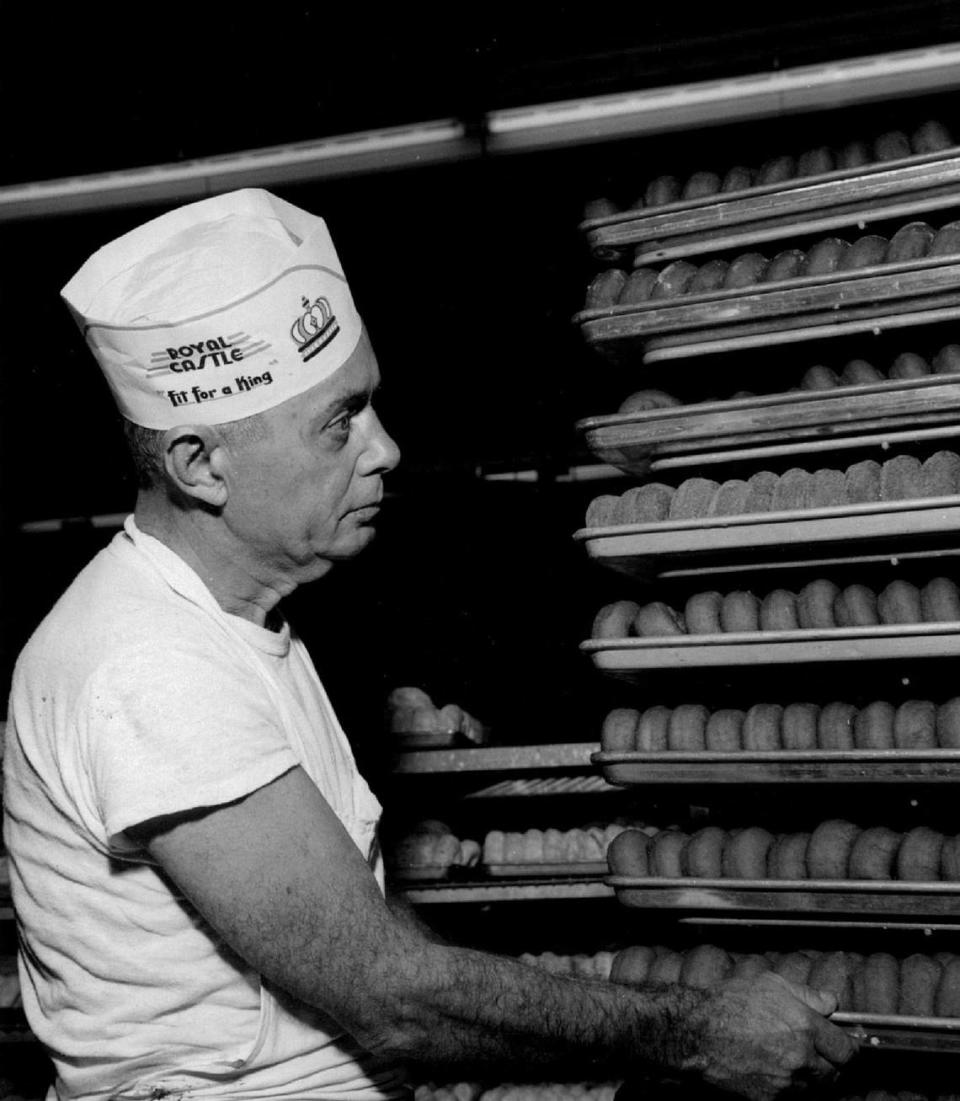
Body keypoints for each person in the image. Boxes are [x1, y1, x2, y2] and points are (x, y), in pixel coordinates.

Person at [3, 189, 858, 1101]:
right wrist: (687, 1034)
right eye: (341, 421)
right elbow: (390, 996)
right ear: (200, 464)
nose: (386, 448)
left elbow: (373, 939)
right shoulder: (149, 661)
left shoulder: (236, 628)